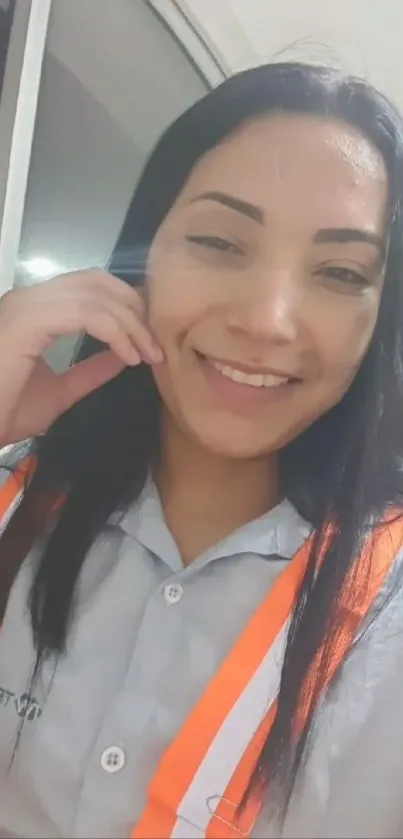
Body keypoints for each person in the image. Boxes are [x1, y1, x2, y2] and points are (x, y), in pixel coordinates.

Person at [0, 61, 402, 839]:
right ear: (142, 254)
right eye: (220, 240)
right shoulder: (18, 502)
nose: (269, 320)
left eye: (338, 271)